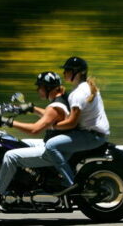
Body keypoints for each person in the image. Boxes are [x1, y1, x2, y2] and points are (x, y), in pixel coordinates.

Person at [0, 71, 70, 208]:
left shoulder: (55, 107)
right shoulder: (60, 101)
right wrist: (30, 108)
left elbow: (35, 129)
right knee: (18, 143)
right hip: (54, 143)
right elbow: (48, 116)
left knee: (11, 156)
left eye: (39, 86)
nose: (37, 90)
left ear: (47, 87)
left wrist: (9, 122)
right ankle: (20, 181)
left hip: (54, 150)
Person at [42, 56, 110, 192]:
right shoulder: (89, 88)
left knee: (51, 146)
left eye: (67, 70)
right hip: (96, 134)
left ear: (77, 73)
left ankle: (70, 183)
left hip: (90, 136)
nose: (64, 73)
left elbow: (72, 123)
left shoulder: (77, 94)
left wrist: (53, 126)